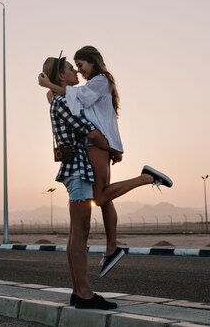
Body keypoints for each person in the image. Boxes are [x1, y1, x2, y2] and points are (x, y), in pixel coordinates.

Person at [39, 46, 173, 278]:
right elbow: (73, 101)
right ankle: (112, 248)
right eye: (74, 67)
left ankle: (146, 177)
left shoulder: (99, 81)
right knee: (104, 198)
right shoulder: (91, 85)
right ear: (61, 75)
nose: (78, 71)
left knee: (101, 196)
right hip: (98, 145)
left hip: (97, 145)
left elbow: (79, 101)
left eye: (80, 65)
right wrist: (52, 92)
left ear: (93, 62)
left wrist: (51, 88)